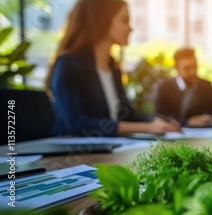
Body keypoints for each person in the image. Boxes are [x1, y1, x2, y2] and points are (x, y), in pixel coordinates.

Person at [46, 0, 181, 137]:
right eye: (124, 20)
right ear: (102, 21)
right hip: (72, 152)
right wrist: (146, 127)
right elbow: (75, 123)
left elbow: (127, 115)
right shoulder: (69, 64)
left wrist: (159, 121)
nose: (130, 28)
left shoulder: (113, 68)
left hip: (109, 149)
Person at [154, 48, 212, 127]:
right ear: (177, 68)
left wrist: (209, 118)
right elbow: (160, 116)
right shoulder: (164, 87)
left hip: (202, 134)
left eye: (195, 66)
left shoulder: (205, 86)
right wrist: (187, 122)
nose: (193, 71)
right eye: (187, 68)